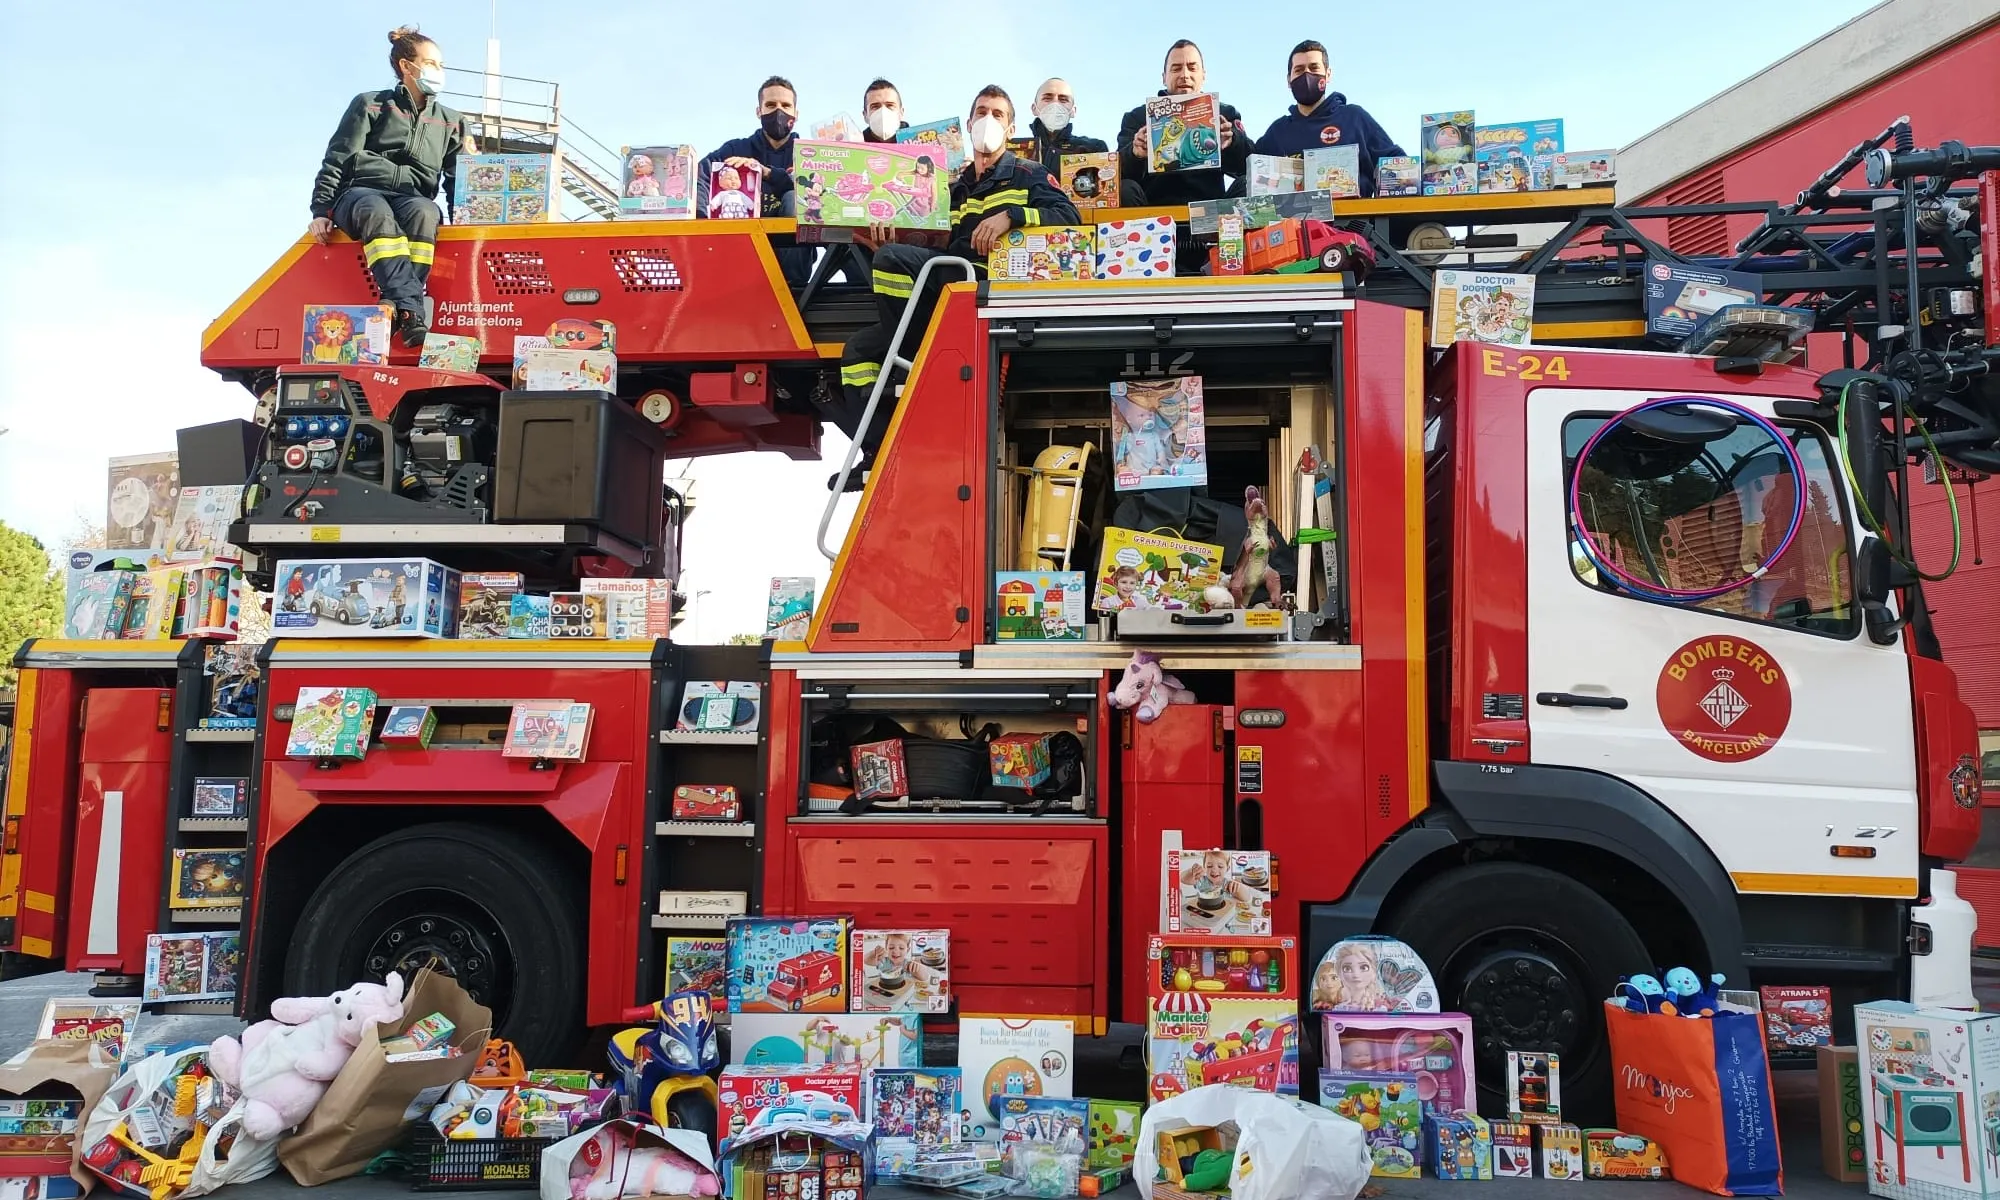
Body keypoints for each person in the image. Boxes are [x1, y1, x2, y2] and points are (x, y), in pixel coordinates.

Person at [831, 85, 1078, 491]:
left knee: (891, 261)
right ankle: (879, 448)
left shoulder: (1027, 172)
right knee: (858, 350)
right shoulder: (953, 185)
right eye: (982, 112)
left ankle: (915, 364)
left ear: (1011, 126)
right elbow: (935, 242)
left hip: (982, 291)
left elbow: (1068, 216)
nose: (988, 121)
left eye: (998, 114)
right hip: (941, 291)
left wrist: (1011, 216)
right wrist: (889, 239)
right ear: (967, 124)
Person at [308, 26, 475, 348]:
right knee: (376, 211)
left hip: (414, 197)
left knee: (427, 213)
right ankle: (412, 311)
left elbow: (460, 178)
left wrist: (464, 221)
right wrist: (320, 209)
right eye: (431, 63)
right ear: (406, 66)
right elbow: (339, 156)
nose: (439, 72)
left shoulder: (453, 121)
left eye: (441, 65)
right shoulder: (370, 104)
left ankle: (394, 303)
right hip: (360, 193)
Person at [1253, 40, 1405, 196]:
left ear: (1328, 74)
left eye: (1314, 68)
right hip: (1292, 219)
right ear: (1288, 80)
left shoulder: (1355, 118)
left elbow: (1396, 162)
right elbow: (1250, 165)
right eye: (1299, 70)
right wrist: (1233, 141)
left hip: (1352, 218)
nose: (1307, 75)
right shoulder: (1278, 131)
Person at [698, 76, 811, 283]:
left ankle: (794, 287)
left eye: (786, 105)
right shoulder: (735, 149)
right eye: (770, 105)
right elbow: (701, 175)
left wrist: (767, 172)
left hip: (793, 269)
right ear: (759, 111)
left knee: (794, 198)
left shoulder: (809, 154)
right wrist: (701, 221)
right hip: (741, 257)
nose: (778, 111)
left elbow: (822, 194)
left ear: (796, 113)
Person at [1116, 40, 1251, 208]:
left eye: (1192, 68)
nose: (1185, 74)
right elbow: (1116, 175)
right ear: (1164, 77)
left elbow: (1250, 165)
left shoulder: (1224, 113)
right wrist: (1135, 153)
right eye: (1176, 68)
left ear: (1203, 75)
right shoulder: (1137, 117)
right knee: (1125, 188)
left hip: (1212, 214)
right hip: (1153, 215)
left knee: (1249, 183)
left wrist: (1232, 142)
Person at [861, 78, 909, 143]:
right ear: (865, 115)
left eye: (890, 105)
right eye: (875, 106)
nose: (883, 111)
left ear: (901, 112)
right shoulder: (855, 146)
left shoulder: (919, 140)